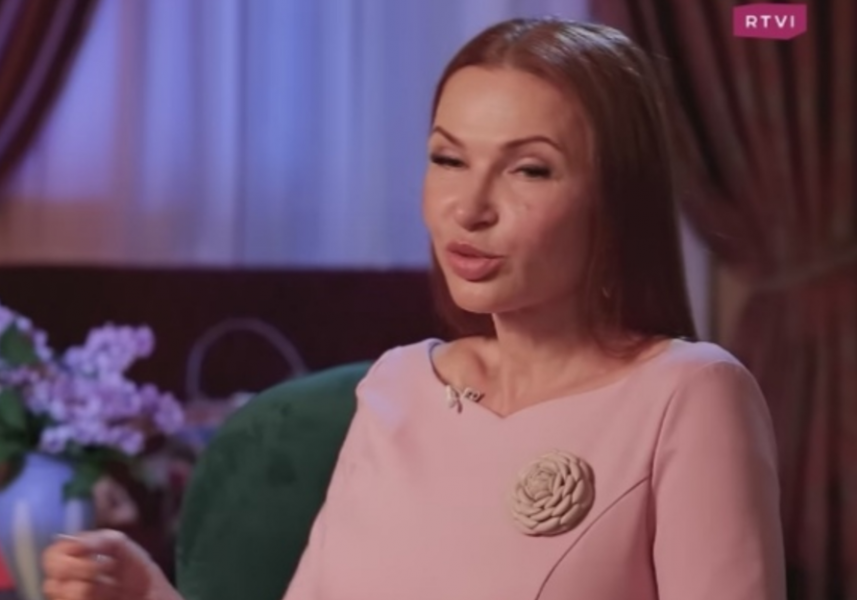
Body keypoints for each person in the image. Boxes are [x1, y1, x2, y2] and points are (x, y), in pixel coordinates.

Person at [40, 17, 785, 600]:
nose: (469, 207)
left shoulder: (689, 394)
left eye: (529, 169)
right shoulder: (398, 388)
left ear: (617, 198)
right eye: (447, 158)